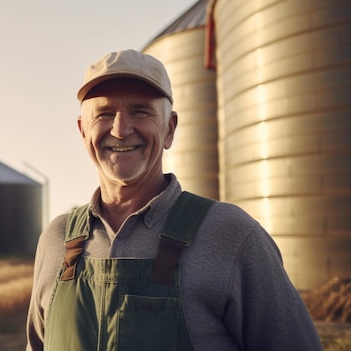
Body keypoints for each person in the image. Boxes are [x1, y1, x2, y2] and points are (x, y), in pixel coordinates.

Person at [25, 49, 323, 351]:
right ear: (82, 130)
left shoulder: (231, 234)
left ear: (169, 129)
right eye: (104, 113)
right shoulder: (57, 239)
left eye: (140, 111)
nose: (120, 129)